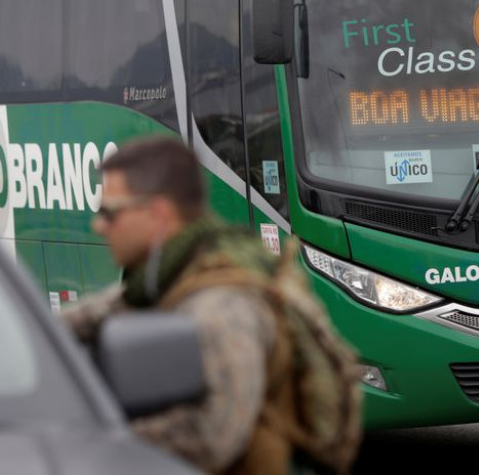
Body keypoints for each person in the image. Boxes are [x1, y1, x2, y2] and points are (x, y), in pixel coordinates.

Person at [63, 137, 301, 475]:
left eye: (109, 213)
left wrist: (93, 447)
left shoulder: (222, 306)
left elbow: (213, 435)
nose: (98, 225)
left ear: (158, 215)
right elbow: (90, 316)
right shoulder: (165, 275)